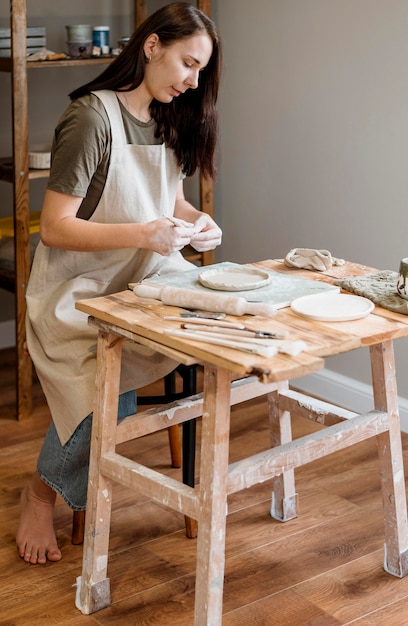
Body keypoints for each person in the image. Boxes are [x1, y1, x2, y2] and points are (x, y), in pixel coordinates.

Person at [16, 2, 222, 565]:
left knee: (225, 320)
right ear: (151, 46)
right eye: (188, 63)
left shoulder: (166, 114)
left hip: (144, 275)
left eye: (201, 70)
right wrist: (147, 234)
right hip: (78, 292)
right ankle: (40, 494)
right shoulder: (91, 119)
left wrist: (195, 223)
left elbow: (168, 201)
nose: (192, 80)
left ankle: (198, 485)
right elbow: (56, 229)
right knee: (110, 391)